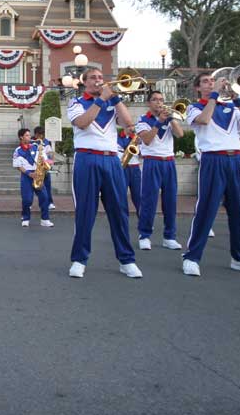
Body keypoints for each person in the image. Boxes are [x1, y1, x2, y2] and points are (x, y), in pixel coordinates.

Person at [181, 73, 240, 277]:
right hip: (213, 160)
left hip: (234, 159)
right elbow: (204, 120)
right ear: (198, 88)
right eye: (206, 82)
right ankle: (192, 257)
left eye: (212, 81)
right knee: (207, 209)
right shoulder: (195, 108)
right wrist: (215, 94)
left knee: (238, 210)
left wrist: (237, 99)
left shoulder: (232, 108)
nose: (211, 83)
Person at [66, 67, 142, 279]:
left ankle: (126, 260)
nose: (98, 81)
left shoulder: (111, 102)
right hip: (87, 158)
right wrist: (101, 101)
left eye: (101, 77)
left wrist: (115, 99)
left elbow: (128, 124)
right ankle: (79, 260)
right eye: (93, 78)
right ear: (84, 82)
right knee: (85, 212)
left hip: (111, 159)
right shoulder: (76, 103)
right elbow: (82, 123)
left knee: (119, 211)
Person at [135, 91, 184, 250]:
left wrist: (171, 119)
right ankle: (144, 235)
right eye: (155, 100)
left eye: (161, 100)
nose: (159, 102)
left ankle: (169, 236)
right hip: (152, 162)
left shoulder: (169, 119)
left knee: (170, 201)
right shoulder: (142, 120)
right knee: (149, 200)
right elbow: (147, 140)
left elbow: (180, 134)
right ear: (149, 103)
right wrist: (159, 122)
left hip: (169, 162)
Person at [12, 128, 53, 227]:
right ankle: (26, 218)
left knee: (44, 197)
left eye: (29, 135)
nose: (29, 137)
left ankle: (45, 219)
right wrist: (28, 173)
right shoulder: (18, 150)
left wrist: (44, 161)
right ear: (21, 137)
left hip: (38, 174)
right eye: (27, 135)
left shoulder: (36, 146)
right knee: (27, 199)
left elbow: (47, 160)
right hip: (27, 176)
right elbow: (18, 166)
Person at [117, 128, 142, 218]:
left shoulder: (138, 138)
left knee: (138, 195)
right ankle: (122, 218)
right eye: (129, 126)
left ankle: (142, 219)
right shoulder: (117, 138)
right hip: (122, 168)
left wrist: (140, 144)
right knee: (121, 195)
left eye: (132, 126)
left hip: (135, 168)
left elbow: (142, 154)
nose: (132, 128)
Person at [32, 126, 56, 210]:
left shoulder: (46, 141)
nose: (41, 136)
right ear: (35, 134)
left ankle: (50, 202)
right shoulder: (31, 141)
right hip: (35, 168)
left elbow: (50, 153)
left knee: (47, 186)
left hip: (44, 168)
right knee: (34, 187)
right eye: (39, 135)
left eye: (42, 135)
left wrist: (50, 161)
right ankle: (30, 203)